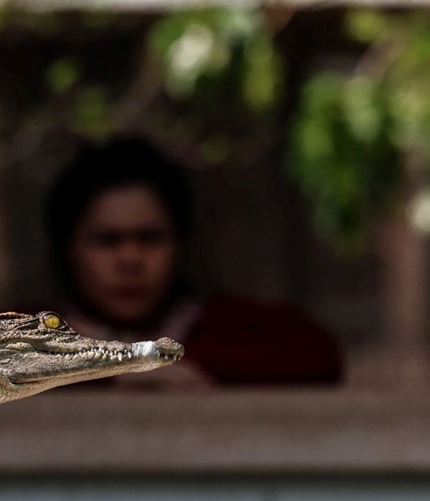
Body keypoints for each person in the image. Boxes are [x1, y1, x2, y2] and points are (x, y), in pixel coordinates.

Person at [43, 137, 342, 388]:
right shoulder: (32, 337)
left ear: (181, 244)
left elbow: (318, 356)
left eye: (150, 238)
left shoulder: (239, 332)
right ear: (67, 250)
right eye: (107, 241)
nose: (130, 259)